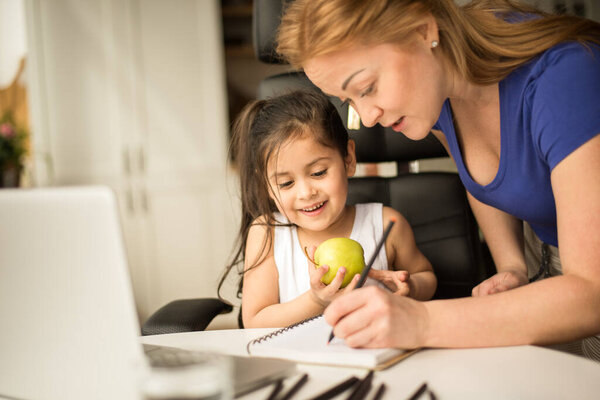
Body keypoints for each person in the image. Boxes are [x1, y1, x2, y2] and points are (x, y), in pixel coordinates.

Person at [276, 0, 600, 360]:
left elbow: (592, 294)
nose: (366, 118)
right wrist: (511, 265)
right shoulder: (436, 92)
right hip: (544, 263)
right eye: (348, 100)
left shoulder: (568, 77)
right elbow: (482, 173)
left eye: (367, 87)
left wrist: (420, 321)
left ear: (423, 31)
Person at [220, 90, 436, 328]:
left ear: (348, 159)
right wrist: (316, 300)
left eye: (319, 172)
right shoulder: (268, 233)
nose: (306, 193)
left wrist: (411, 287)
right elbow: (255, 321)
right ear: (268, 186)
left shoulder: (386, 224)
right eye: (286, 183)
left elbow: (426, 277)